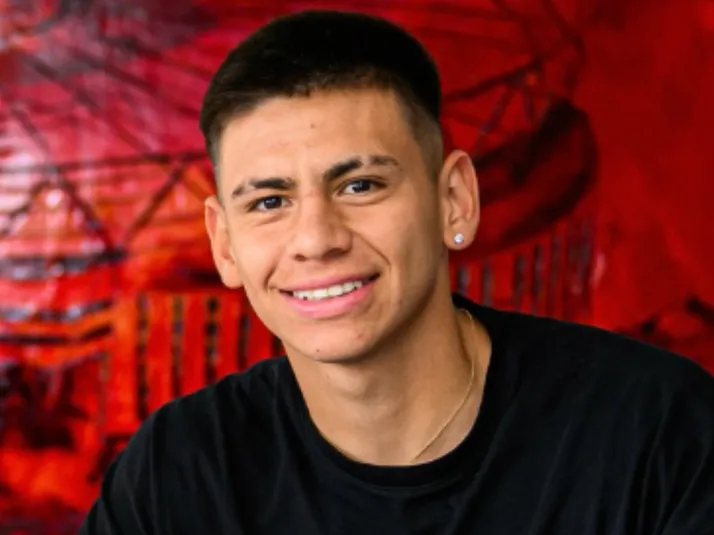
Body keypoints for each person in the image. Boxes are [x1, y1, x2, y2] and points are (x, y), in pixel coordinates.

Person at [79, 9, 714, 535]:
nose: (316, 240)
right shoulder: (178, 472)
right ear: (224, 244)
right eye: (270, 202)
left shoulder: (658, 433)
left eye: (360, 185)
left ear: (453, 200)